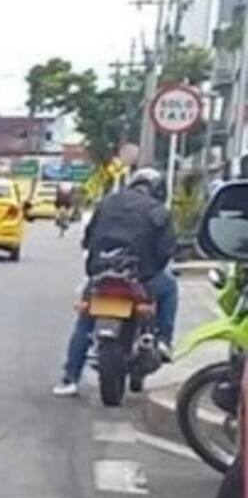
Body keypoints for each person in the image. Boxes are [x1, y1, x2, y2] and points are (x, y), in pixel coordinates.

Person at [53, 168, 178, 397]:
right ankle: (163, 340)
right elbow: (166, 250)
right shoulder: (159, 211)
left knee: (85, 322)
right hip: (139, 278)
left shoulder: (107, 203)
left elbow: (88, 239)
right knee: (169, 287)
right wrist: (150, 270)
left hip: (102, 275)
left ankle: (70, 378)